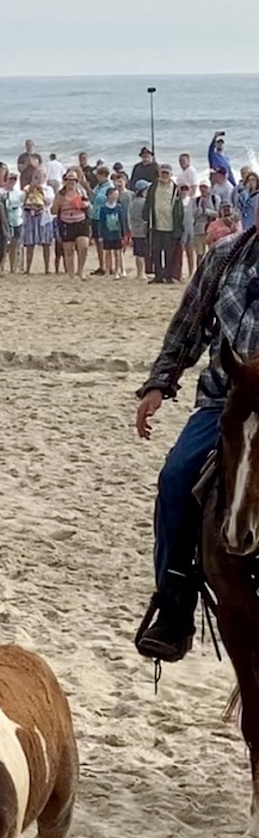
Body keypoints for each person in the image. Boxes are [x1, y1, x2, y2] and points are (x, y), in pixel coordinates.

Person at [134, 225, 259, 662]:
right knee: (175, 477)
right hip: (224, 402)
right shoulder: (225, 256)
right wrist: (159, 384)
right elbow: (187, 327)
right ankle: (174, 607)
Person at [144, 163, 182, 284]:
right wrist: (146, 217)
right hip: (156, 225)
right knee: (156, 252)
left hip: (170, 226)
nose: (164, 175)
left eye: (167, 173)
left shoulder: (175, 189)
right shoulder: (153, 187)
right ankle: (158, 276)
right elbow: (148, 203)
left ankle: (169, 276)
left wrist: (179, 226)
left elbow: (179, 209)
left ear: (171, 174)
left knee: (169, 254)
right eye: (162, 173)